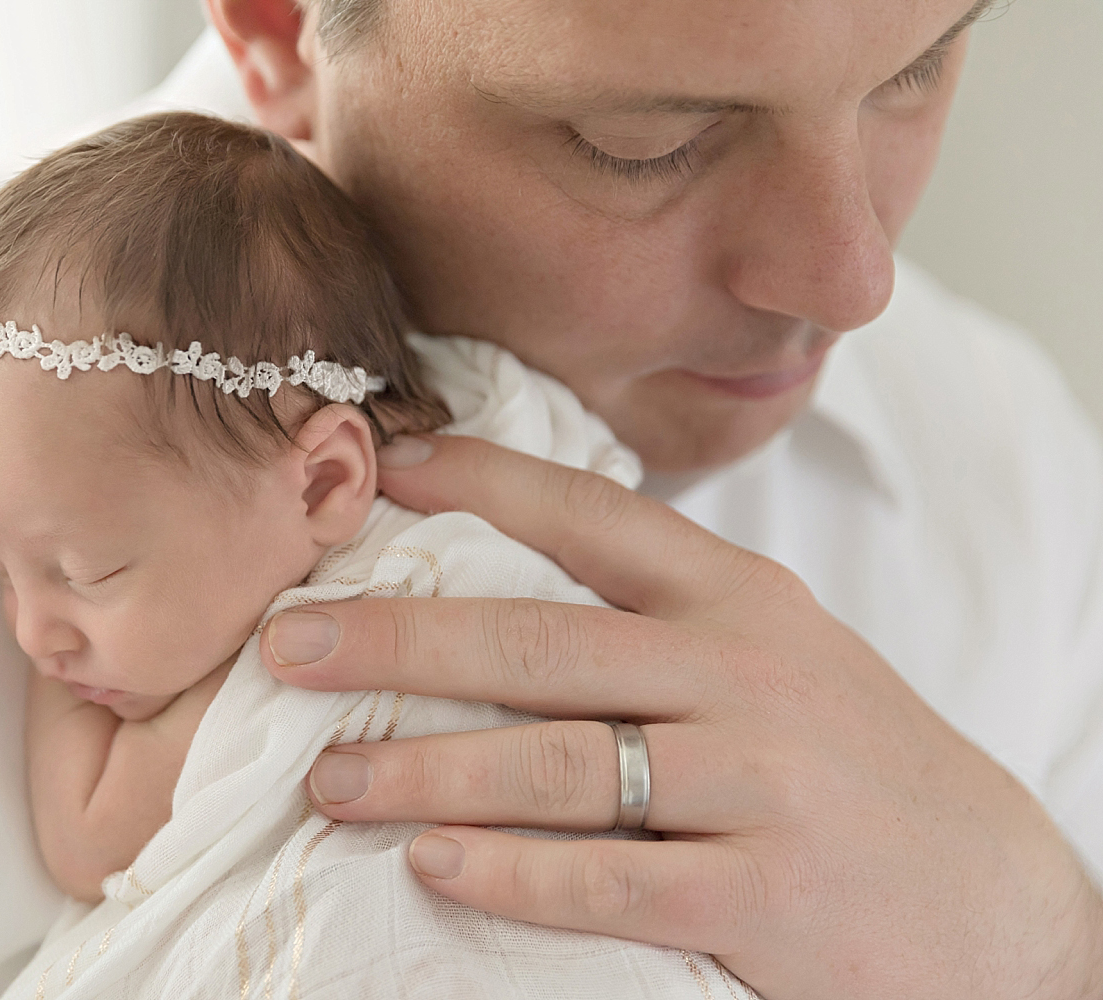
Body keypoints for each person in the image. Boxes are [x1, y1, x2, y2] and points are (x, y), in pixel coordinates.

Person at [186, 0, 1102, 996]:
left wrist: (1049, 951)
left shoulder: (1010, 451)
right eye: (646, 144)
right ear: (277, 27)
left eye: (916, 70)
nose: (853, 285)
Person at [0, 110, 734, 997]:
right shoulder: (510, 424)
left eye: (86, 574)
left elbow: (85, 838)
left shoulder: (293, 664)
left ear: (322, 485)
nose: (34, 634)